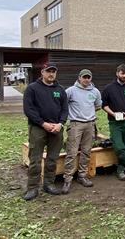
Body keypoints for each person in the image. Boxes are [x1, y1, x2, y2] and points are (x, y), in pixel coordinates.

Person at [22, 62, 68, 201]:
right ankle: (32, 188)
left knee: (52, 159)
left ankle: (49, 184)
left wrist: (61, 123)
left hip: (56, 129)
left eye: (53, 71)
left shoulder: (60, 90)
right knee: (35, 159)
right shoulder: (32, 89)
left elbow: (65, 109)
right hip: (38, 128)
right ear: (42, 72)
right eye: (48, 71)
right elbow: (28, 109)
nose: (51, 74)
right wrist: (43, 123)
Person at [62, 69, 102, 194]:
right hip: (75, 124)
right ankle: (67, 179)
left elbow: (98, 105)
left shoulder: (95, 91)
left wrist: (89, 114)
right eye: (84, 77)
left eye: (88, 77)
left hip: (90, 124)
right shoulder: (70, 91)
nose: (86, 79)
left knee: (86, 151)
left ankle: (82, 176)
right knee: (72, 152)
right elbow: (62, 104)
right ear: (79, 77)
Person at [101, 64, 125, 181]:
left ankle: (121, 170)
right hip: (114, 122)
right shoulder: (108, 88)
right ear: (117, 73)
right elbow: (104, 105)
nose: (124, 76)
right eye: (122, 73)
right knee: (118, 146)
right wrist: (113, 114)